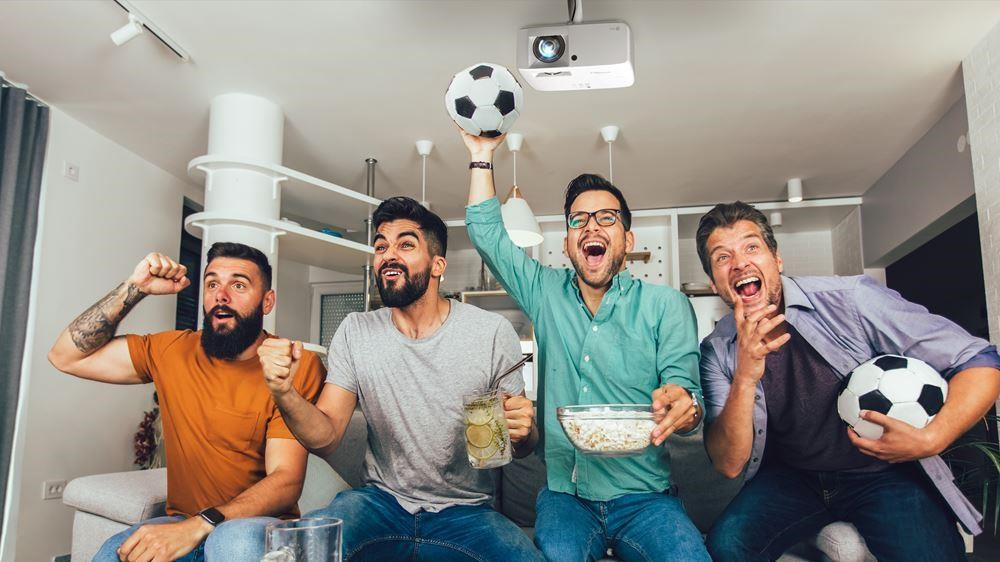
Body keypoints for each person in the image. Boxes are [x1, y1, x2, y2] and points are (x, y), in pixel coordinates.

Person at [696, 201, 1000, 561]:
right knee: (726, 546)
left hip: (882, 474)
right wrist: (745, 376)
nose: (740, 263)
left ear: (776, 260)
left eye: (751, 247)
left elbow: (979, 360)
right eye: (722, 257)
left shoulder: (852, 299)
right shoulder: (718, 349)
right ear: (714, 283)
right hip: (793, 476)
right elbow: (729, 463)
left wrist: (933, 437)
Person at [460, 130, 710, 562]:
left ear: (628, 241)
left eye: (607, 218)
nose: (591, 226)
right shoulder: (544, 292)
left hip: (647, 498)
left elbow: (688, 400)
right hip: (566, 498)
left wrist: (686, 406)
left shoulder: (666, 306)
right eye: (578, 220)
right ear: (567, 245)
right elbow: (488, 236)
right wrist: (481, 154)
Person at [257, 196, 543, 561]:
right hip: (379, 504)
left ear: (438, 265)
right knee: (302, 551)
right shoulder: (356, 331)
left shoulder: (491, 332)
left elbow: (521, 445)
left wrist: (524, 431)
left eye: (405, 245)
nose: (388, 255)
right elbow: (325, 438)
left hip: (466, 511)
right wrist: (284, 392)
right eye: (381, 246)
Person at [48, 242, 324, 562]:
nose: (221, 296)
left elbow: (286, 480)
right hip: (181, 521)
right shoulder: (170, 351)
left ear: (267, 301)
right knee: (113, 555)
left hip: (256, 526)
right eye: (212, 284)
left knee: (232, 543)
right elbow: (65, 356)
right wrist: (135, 288)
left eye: (238, 285)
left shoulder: (293, 365)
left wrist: (201, 524)